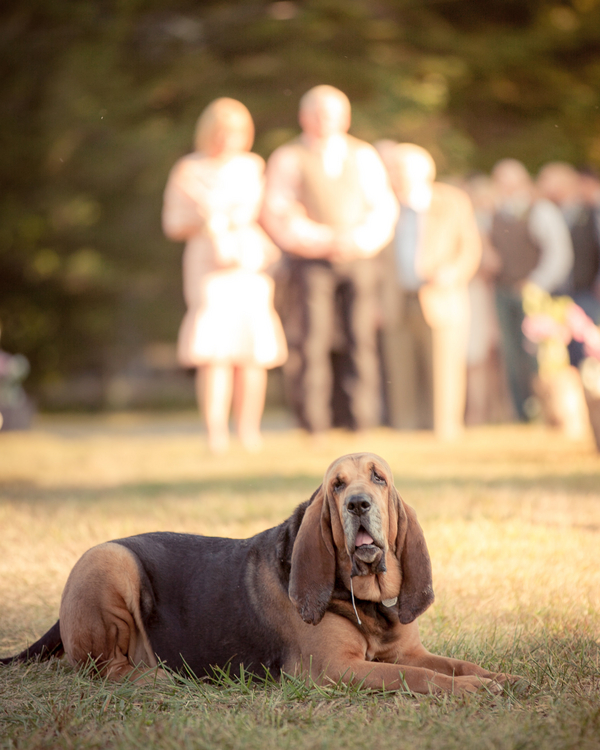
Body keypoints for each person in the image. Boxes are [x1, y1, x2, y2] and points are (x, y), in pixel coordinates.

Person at [261, 85, 397, 434]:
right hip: (310, 261)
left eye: (333, 114)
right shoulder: (288, 157)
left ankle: (361, 420)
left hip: (360, 258)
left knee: (361, 338)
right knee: (312, 341)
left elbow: (382, 208)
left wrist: (355, 240)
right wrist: (324, 241)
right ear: (304, 117)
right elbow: (279, 212)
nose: (325, 121)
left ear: (345, 117)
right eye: (318, 114)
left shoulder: (364, 155)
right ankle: (313, 423)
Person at [162, 98, 287, 454]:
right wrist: (207, 222)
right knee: (215, 351)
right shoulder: (188, 171)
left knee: (251, 351)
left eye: (236, 132)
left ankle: (249, 431)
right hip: (208, 266)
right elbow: (172, 223)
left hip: (248, 264)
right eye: (222, 132)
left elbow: (270, 214)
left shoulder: (254, 167)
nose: (229, 139)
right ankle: (215, 433)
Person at [376, 142, 481, 440]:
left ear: (425, 171)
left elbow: (469, 249)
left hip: (441, 297)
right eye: (393, 168)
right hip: (396, 298)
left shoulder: (452, 201)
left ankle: (445, 430)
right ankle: (406, 429)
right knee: (401, 368)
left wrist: (452, 273)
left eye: (401, 168)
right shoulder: (384, 204)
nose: (395, 174)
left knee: (445, 368)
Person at [490, 159, 573, 420]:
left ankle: (547, 410)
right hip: (503, 292)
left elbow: (559, 254)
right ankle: (522, 410)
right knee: (513, 356)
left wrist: (536, 283)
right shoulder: (496, 213)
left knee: (541, 354)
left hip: (535, 295)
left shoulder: (542, 210)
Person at [537, 161, 600, 365]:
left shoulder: (591, 213)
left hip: (587, 294)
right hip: (558, 296)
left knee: (589, 356)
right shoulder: (549, 214)